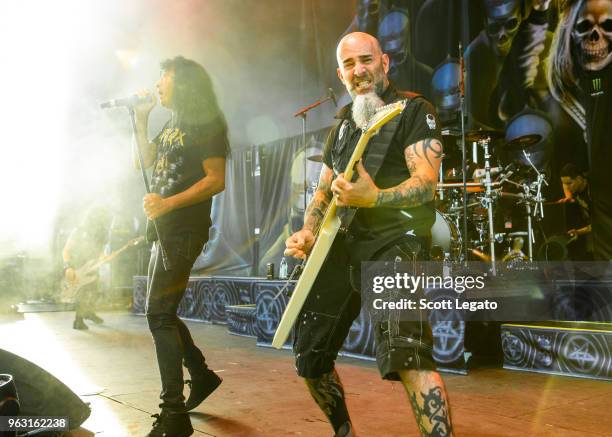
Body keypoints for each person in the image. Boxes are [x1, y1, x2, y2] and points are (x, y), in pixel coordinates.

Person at [285, 32, 453, 437]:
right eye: (348, 65)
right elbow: (323, 190)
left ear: (385, 63)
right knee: (309, 357)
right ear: (340, 74)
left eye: (366, 60)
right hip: (341, 244)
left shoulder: (414, 110)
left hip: (395, 240)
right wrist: (308, 232)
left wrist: (374, 198)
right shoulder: (341, 126)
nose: (358, 71)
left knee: (408, 355)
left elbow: (426, 183)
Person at [133, 56, 229, 437]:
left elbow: (216, 179)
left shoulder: (205, 120)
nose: (157, 83)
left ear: (184, 81)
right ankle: (201, 376)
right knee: (164, 312)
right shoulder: (172, 123)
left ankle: (173, 413)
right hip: (164, 229)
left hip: (184, 229)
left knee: (158, 314)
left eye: (164, 76)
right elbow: (141, 162)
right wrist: (142, 119)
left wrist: (168, 204)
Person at [62, 205, 111, 330]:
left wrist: (103, 257)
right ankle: (78, 321)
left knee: (94, 292)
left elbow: (100, 250)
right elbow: (66, 250)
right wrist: (68, 267)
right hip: (78, 266)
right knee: (82, 293)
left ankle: (89, 313)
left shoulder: (102, 233)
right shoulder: (78, 231)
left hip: (93, 266)